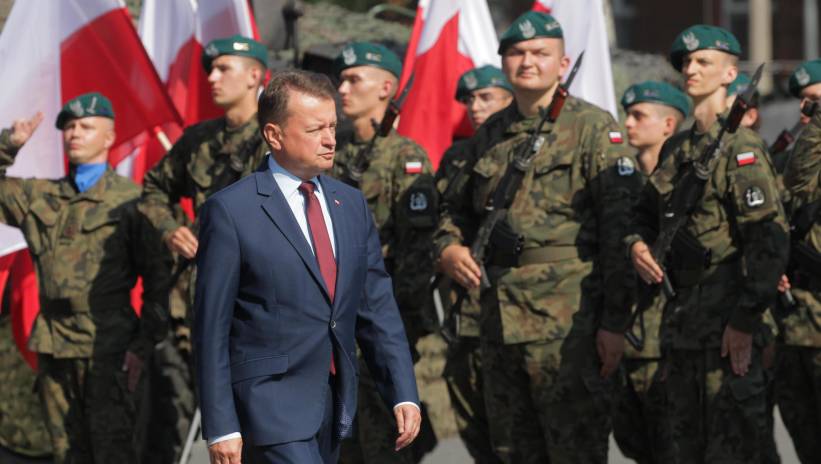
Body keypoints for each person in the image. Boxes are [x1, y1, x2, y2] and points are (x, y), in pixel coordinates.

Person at [434, 11, 641, 463]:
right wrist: (448, 248)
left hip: (569, 324)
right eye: (517, 53)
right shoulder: (489, 135)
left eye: (540, 53)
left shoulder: (592, 127)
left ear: (562, 64)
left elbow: (621, 230)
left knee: (575, 451)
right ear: (503, 63)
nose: (527, 61)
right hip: (499, 321)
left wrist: (614, 322)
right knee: (512, 451)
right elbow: (453, 210)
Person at [194, 70, 421, 464]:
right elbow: (211, 327)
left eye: (332, 126)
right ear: (274, 135)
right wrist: (221, 425)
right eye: (316, 129)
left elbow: (376, 306)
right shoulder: (232, 210)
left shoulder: (350, 204)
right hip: (268, 406)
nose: (330, 139)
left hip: (334, 405)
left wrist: (403, 391)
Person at [626, 25, 789, 462]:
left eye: (703, 61)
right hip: (681, 328)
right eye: (686, 62)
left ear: (729, 74)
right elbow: (642, 216)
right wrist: (636, 246)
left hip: (728, 327)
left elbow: (768, 242)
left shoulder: (741, 148)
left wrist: (745, 320)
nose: (691, 69)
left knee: (737, 448)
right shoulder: (677, 149)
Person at [0, 92, 171, 464]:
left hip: (109, 348)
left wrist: (142, 346)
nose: (75, 133)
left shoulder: (132, 201)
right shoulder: (41, 196)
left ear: (109, 137)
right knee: (66, 455)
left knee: (114, 454)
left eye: (86, 126)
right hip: (54, 345)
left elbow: (161, 282)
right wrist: (7, 145)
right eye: (70, 127)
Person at [139, 34, 270, 464]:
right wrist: (170, 230)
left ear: (254, 76)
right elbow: (153, 188)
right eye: (210, 69)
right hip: (198, 302)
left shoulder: (277, 140)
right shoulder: (198, 140)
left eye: (223, 68)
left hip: (258, 307)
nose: (212, 78)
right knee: (183, 421)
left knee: (257, 426)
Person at [329, 42, 437, 464]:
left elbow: (417, 253)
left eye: (354, 79)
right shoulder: (330, 152)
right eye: (341, 79)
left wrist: (397, 325)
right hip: (330, 320)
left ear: (386, 88)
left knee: (382, 442)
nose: (342, 89)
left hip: (378, 318)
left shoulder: (404, 157)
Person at [436, 65, 513, 464]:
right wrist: (447, 249)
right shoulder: (457, 157)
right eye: (469, 100)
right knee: (473, 421)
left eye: (486, 97)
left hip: (515, 308)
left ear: (509, 98)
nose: (475, 107)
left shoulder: (525, 149)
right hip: (464, 310)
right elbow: (442, 218)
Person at [613, 80, 689, 464]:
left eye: (638, 115)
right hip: (623, 334)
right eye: (627, 115)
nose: (628, 123)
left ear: (668, 126)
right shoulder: (617, 183)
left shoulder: (686, 185)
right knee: (635, 446)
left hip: (669, 340)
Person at [773, 59, 821, 463]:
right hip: (793, 323)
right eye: (805, 103)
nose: (809, 112)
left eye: (816, 101)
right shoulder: (788, 163)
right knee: (806, 445)